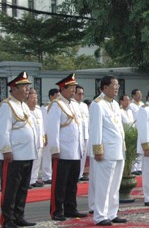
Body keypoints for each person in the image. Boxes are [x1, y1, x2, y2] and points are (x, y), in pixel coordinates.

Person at [46, 74, 87, 221]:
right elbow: (53, 129)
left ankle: (71, 207)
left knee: (72, 182)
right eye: (71, 88)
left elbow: (79, 128)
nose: (73, 90)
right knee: (60, 183)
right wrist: (55, 149)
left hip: (75, 150)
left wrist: (81, 146)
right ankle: (57, 210)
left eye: (75, 88)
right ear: (63, 88)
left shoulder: (74, 104)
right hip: (63, 151)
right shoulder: (56, 105)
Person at [88, 75, 127, 226]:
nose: (117, 88)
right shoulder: (98, 105)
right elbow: (95, 129)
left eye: (117, 85)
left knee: (114, 185)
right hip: (105, 152)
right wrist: (98, 150)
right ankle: (100, 215)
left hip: (117, 150)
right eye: (114, 85)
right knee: (103, 185)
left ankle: (112, 212)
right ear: (105, 88)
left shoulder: (115, 104)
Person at [0, 72, 37, 227]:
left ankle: (19, 216)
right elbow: (3, 130)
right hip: (14, 155)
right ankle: (8, 219)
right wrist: (6, 150)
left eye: (28, 87)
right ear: (14, 89)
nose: (27, 90)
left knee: (22, 188)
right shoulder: (7, 106)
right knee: (10, 189)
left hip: (27, 154)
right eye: (24, 87)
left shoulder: (23, 106)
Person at [41, 89, 60, 185]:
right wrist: (45, 136)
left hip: (55, 134)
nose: (58, 98)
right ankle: (46, 176)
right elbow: (44, 123)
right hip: (47, 134)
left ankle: (52, 174)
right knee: (47, 156)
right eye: (57, 95)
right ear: (51, 96)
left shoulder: (59, 106)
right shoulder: (45, 108)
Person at [27, 88, 45, 189]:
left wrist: (44, 137)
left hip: (39, 139)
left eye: (36, 98)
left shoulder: (38, 109)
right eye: (32, 98)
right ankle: (28, 180)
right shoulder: (25, 109)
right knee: (31, 161)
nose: (35, 100)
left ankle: (33, 179)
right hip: (30, 141)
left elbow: (42, 125)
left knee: (38, 160)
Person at [74, 85, 90, 182]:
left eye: (82, 94)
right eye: (79, 94)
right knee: (77, 155)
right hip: (78, 135)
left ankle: (80, 174)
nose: (81, 96)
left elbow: (87, 120)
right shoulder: (73, 104)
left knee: (83, 156)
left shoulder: (84, 106)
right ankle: (76, 174)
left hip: (85, 134)